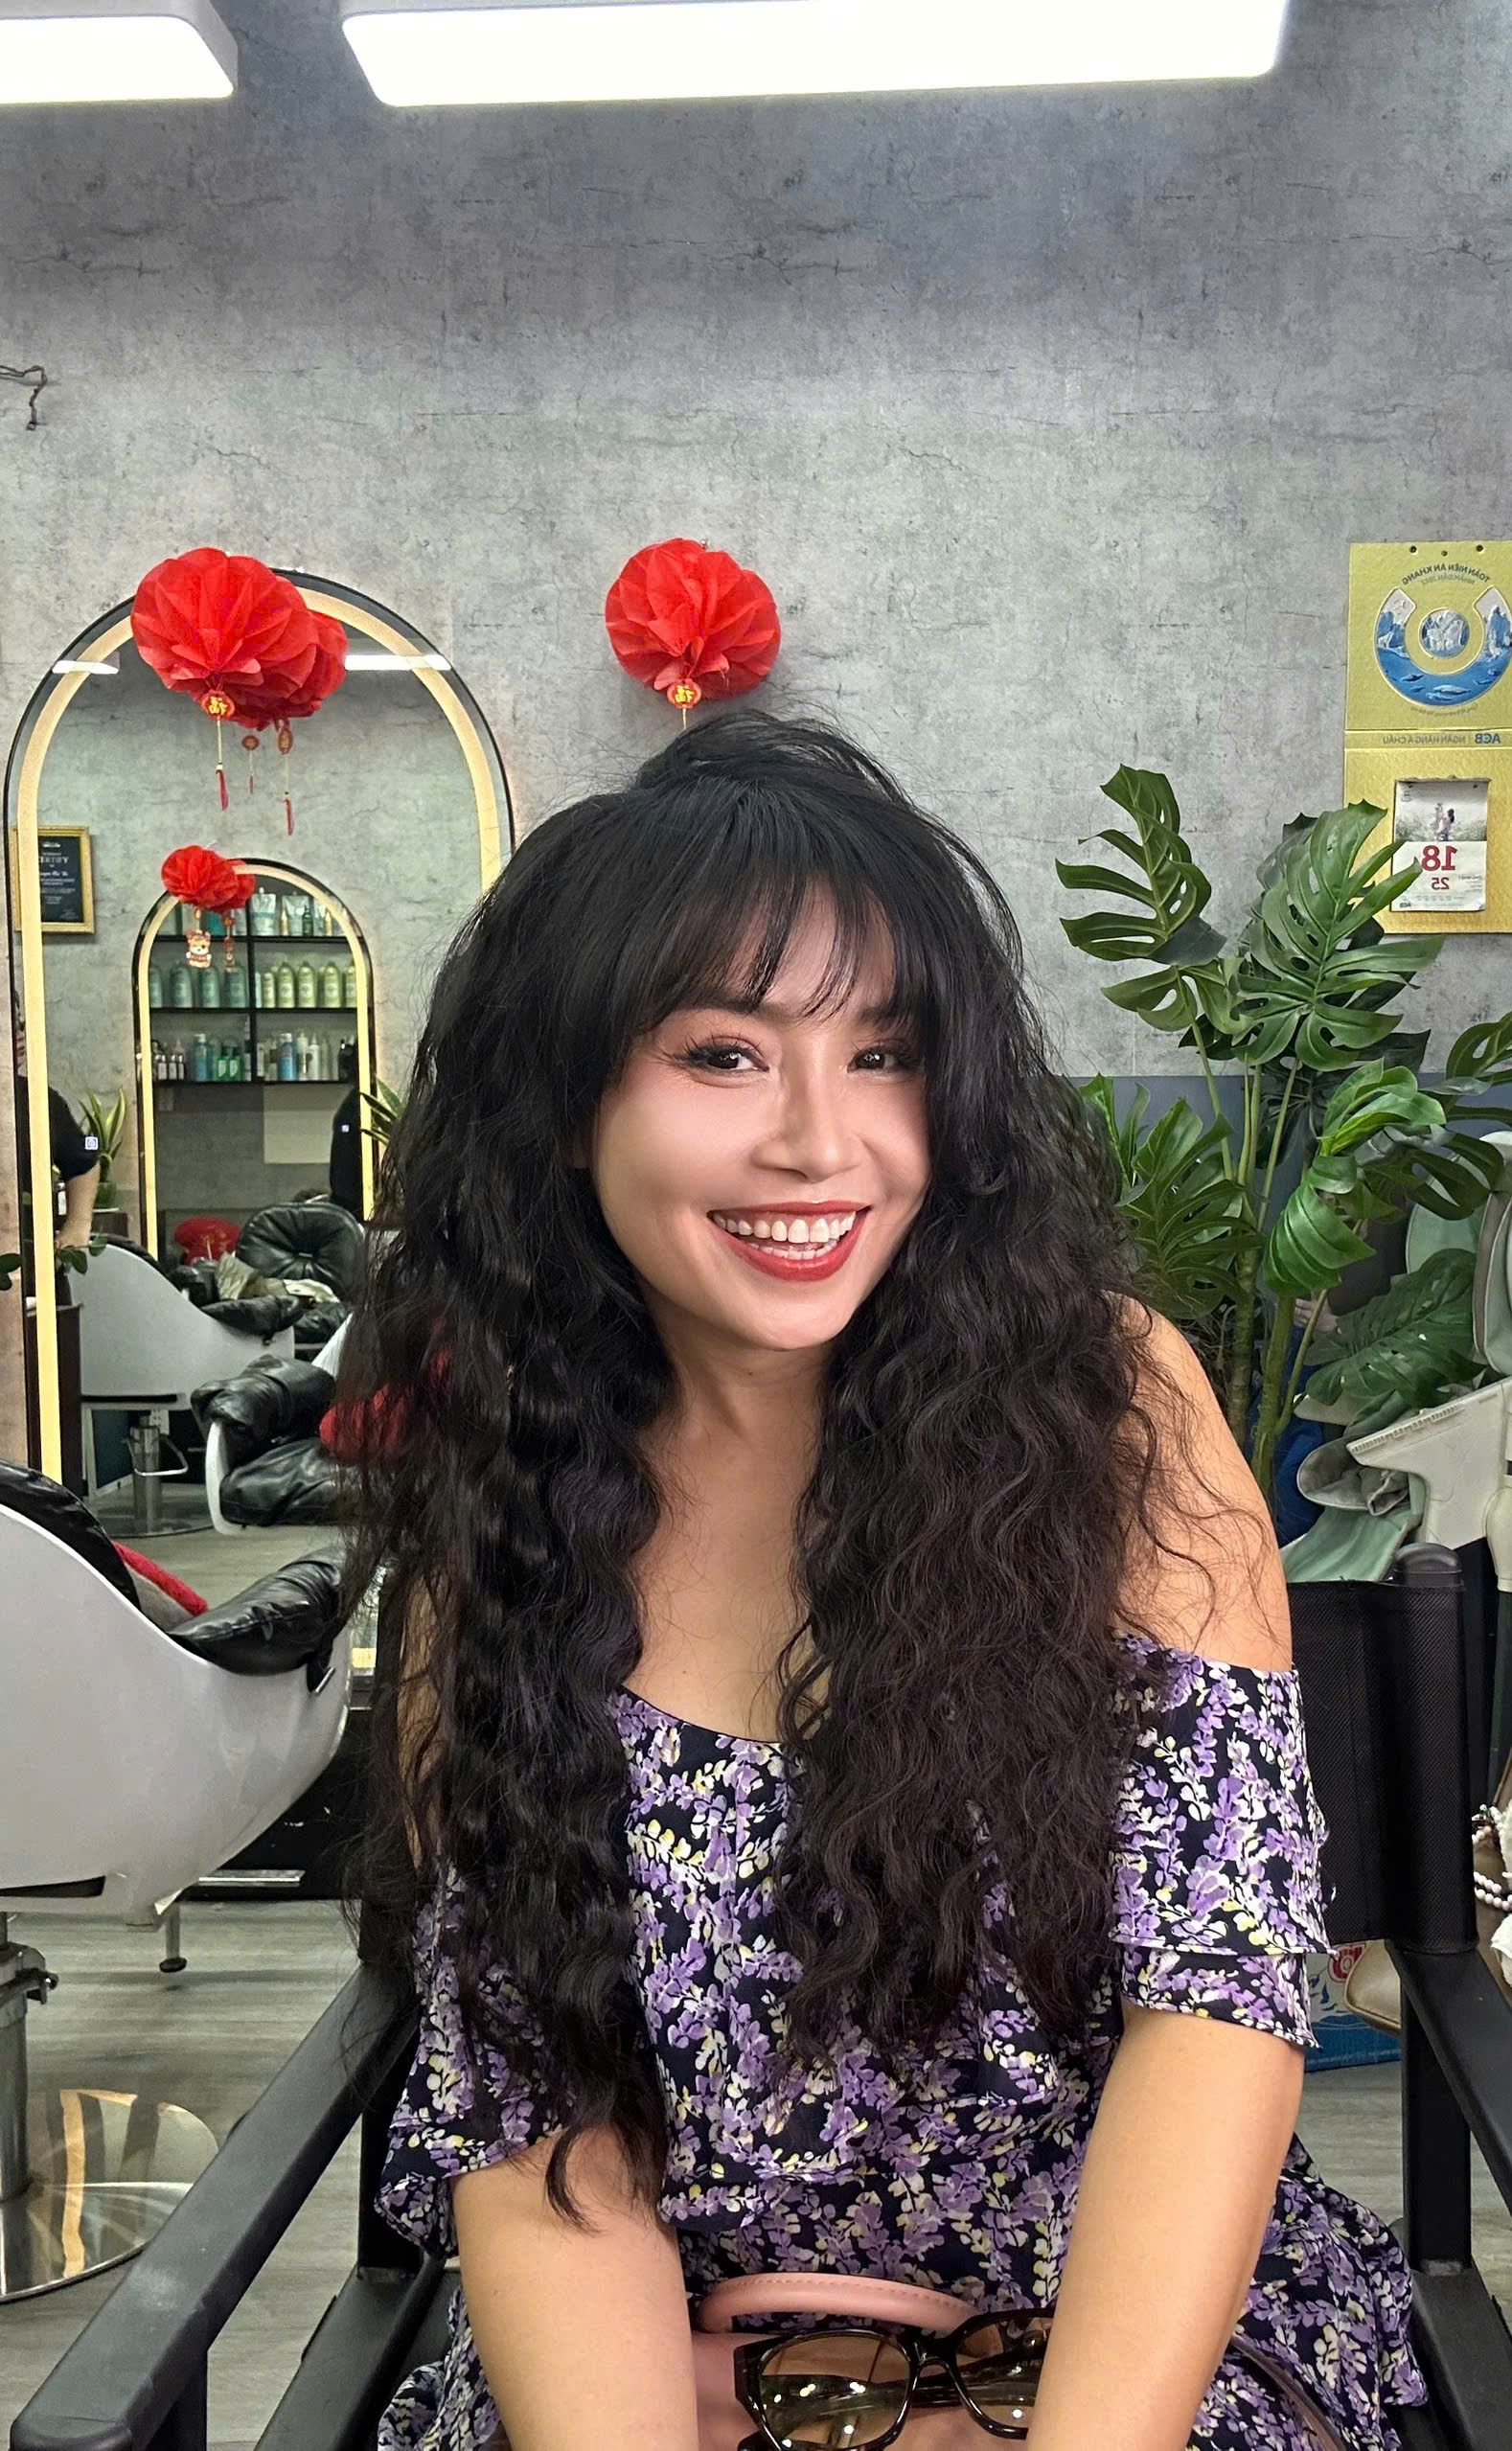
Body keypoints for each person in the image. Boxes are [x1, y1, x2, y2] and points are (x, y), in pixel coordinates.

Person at [346, 712, 1425, 2451]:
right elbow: (540, 2111)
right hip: (669, 2351)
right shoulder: (506, 1493)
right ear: (563, 1103)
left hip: (1119, 2350)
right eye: (720, 1053)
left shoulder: (1105, 1410)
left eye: (883, 1053)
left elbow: (1213, 2004)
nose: (818, 1141)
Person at [13, 996, 101, 1270]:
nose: (19, 1035)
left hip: (32, 1265)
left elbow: (85, 1158)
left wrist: (77, 1226)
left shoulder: (39, 1099)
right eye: (8, 1025)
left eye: (19, 1024)